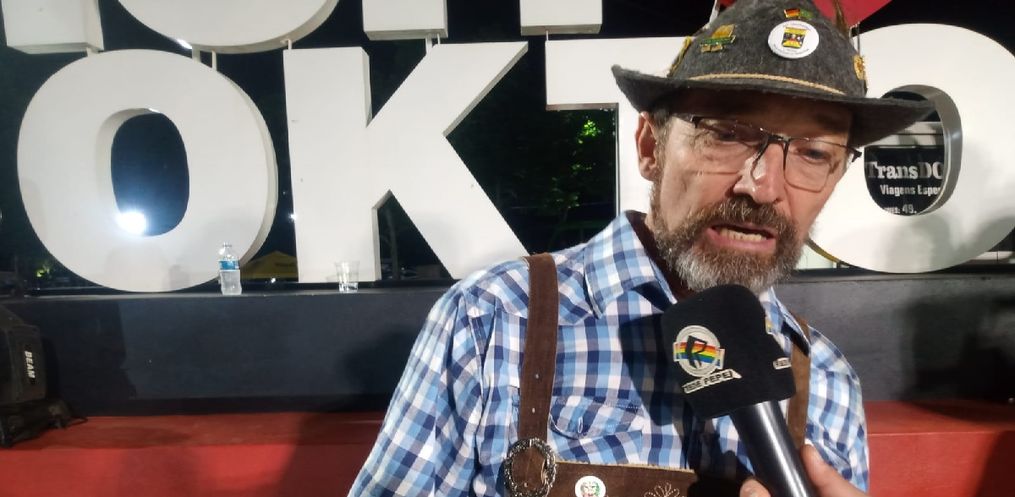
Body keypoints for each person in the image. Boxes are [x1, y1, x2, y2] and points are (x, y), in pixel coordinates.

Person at [350, 0, 931, 496]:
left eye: (813, 153)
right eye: (727, 134)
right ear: (651, 147)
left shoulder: (825, 378)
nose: (763, 186)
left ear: (836, 178)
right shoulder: (493, 319)